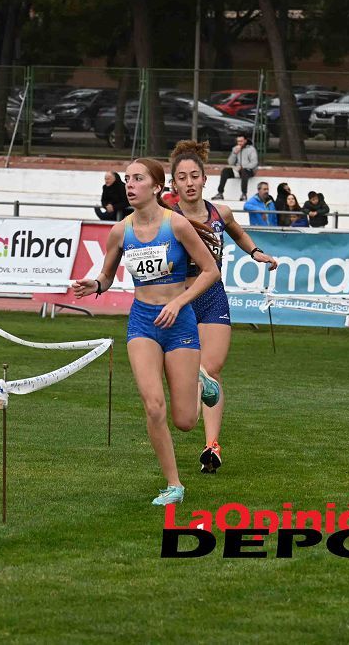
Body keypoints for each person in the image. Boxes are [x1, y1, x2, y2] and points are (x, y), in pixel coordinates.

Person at [72, 157, 222, 505]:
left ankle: (202, 381)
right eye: (127, 179)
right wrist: (94, 283)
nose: (130, 185)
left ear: (157, 187)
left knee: (185, 420)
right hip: (142, 322)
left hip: (179, 321)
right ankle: (174, 485)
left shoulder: (178, 225)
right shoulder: (119, 231)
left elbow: (210, 270)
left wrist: (179, 302)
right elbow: (107, 277)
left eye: (138, 179)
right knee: (154, 406)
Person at [166, 139, 278, 475]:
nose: (188, 182)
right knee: (191, 376)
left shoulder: (220, 213)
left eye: (194, 175)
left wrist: (257, 253)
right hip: (179, 298)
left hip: (213, 296)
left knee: (211, 371)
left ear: (204, 180)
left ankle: (212, 446)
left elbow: (239, 235)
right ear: (174, 184)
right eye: (182, 177)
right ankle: (194, 384)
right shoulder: (167, 217)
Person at [212, 134, 258, 201]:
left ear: (245, 141)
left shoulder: (251, 149)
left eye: (241, 141)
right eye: (238, 141)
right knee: (225, 171)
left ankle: (244, 194)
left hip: (249, 170)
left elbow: (254, 163)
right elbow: (230, 162)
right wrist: (234, 153)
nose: (239, 143)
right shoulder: (235, 148)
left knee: (244, 171)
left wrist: (243, 167)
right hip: (238, 170)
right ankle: (220, 193)